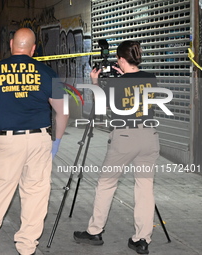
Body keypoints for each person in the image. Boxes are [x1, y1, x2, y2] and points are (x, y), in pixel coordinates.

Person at [0, 28, 69, 255]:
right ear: (33, 49)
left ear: (11, 44)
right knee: (35, 193)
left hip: (7, 142)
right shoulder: (47, 72)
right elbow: (63, 112)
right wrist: (56, 141)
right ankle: (26, 246)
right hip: (39, 139)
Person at [74, 40, 159, 255]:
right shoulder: (151, 79)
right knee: (145, 189)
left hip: (125, 137)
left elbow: (100, 109)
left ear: (121, 60)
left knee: (106, 184)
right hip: (150, 137)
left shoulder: (116, 84)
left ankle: (95, 231)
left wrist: (95, 82)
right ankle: (141, 239)